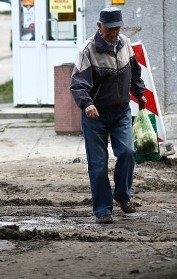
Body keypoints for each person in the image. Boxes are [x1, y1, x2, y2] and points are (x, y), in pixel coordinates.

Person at [69, 7, 147, 224]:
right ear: (99, 26)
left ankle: (123, 196)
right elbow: (77, 85)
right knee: (98, 163)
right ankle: (103, 209)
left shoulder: (125, 44)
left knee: (128, 152)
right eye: (109, 29)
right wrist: (87, 105)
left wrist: (139, 94)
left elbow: (135, 72)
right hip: (96, 116)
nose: (114, 33)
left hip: (121, 111)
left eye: (117, 29)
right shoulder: (88, 50)